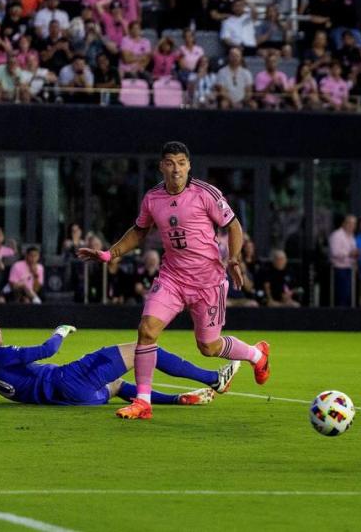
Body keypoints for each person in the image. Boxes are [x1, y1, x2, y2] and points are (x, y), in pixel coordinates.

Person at [77, 141, 270, 420]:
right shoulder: (153, 198)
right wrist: (110, 254)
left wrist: (235, 259)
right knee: (147, 330)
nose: (176, 168)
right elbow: (139, 231)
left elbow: (234, 226)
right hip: (172, 279)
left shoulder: (205, 194)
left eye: (181, 162)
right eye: (170, 162)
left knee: (208, 347)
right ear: (161, 166)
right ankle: (143, 402)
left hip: (208, 282)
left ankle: (255, 354)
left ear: (189, 165)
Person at [0, 315, 238, 406]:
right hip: (66, 380)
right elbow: (47, 350)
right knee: (146, 350)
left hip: (73, 400)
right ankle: (214, 379)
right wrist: (61, 330)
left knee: (116, 386)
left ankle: (176, 399)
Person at [328, 214, 359, 307]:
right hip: (339, 269)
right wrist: (350, 254)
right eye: (349, 223)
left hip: (350, 268)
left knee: (349, 295)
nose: (352, 226)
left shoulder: (351, 237)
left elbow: (353, 251)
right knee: (341, 295)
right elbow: (335, 252)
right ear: (344, 223)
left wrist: (356, 255)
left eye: (354, 224)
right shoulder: (337, 235)